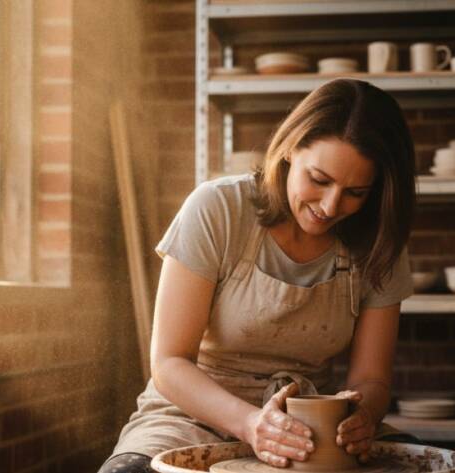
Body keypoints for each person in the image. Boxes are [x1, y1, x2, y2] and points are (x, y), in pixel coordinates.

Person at [99, 78, 417, 473]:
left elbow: (371, 378)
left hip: (309, 423)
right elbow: (169, 363)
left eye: (356, 192)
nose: (332, 205)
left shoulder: (378, 238)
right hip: (193, 415)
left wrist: (363, 416)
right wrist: (251, 424)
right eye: (318, 180)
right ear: (287, 151)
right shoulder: (218, 209)